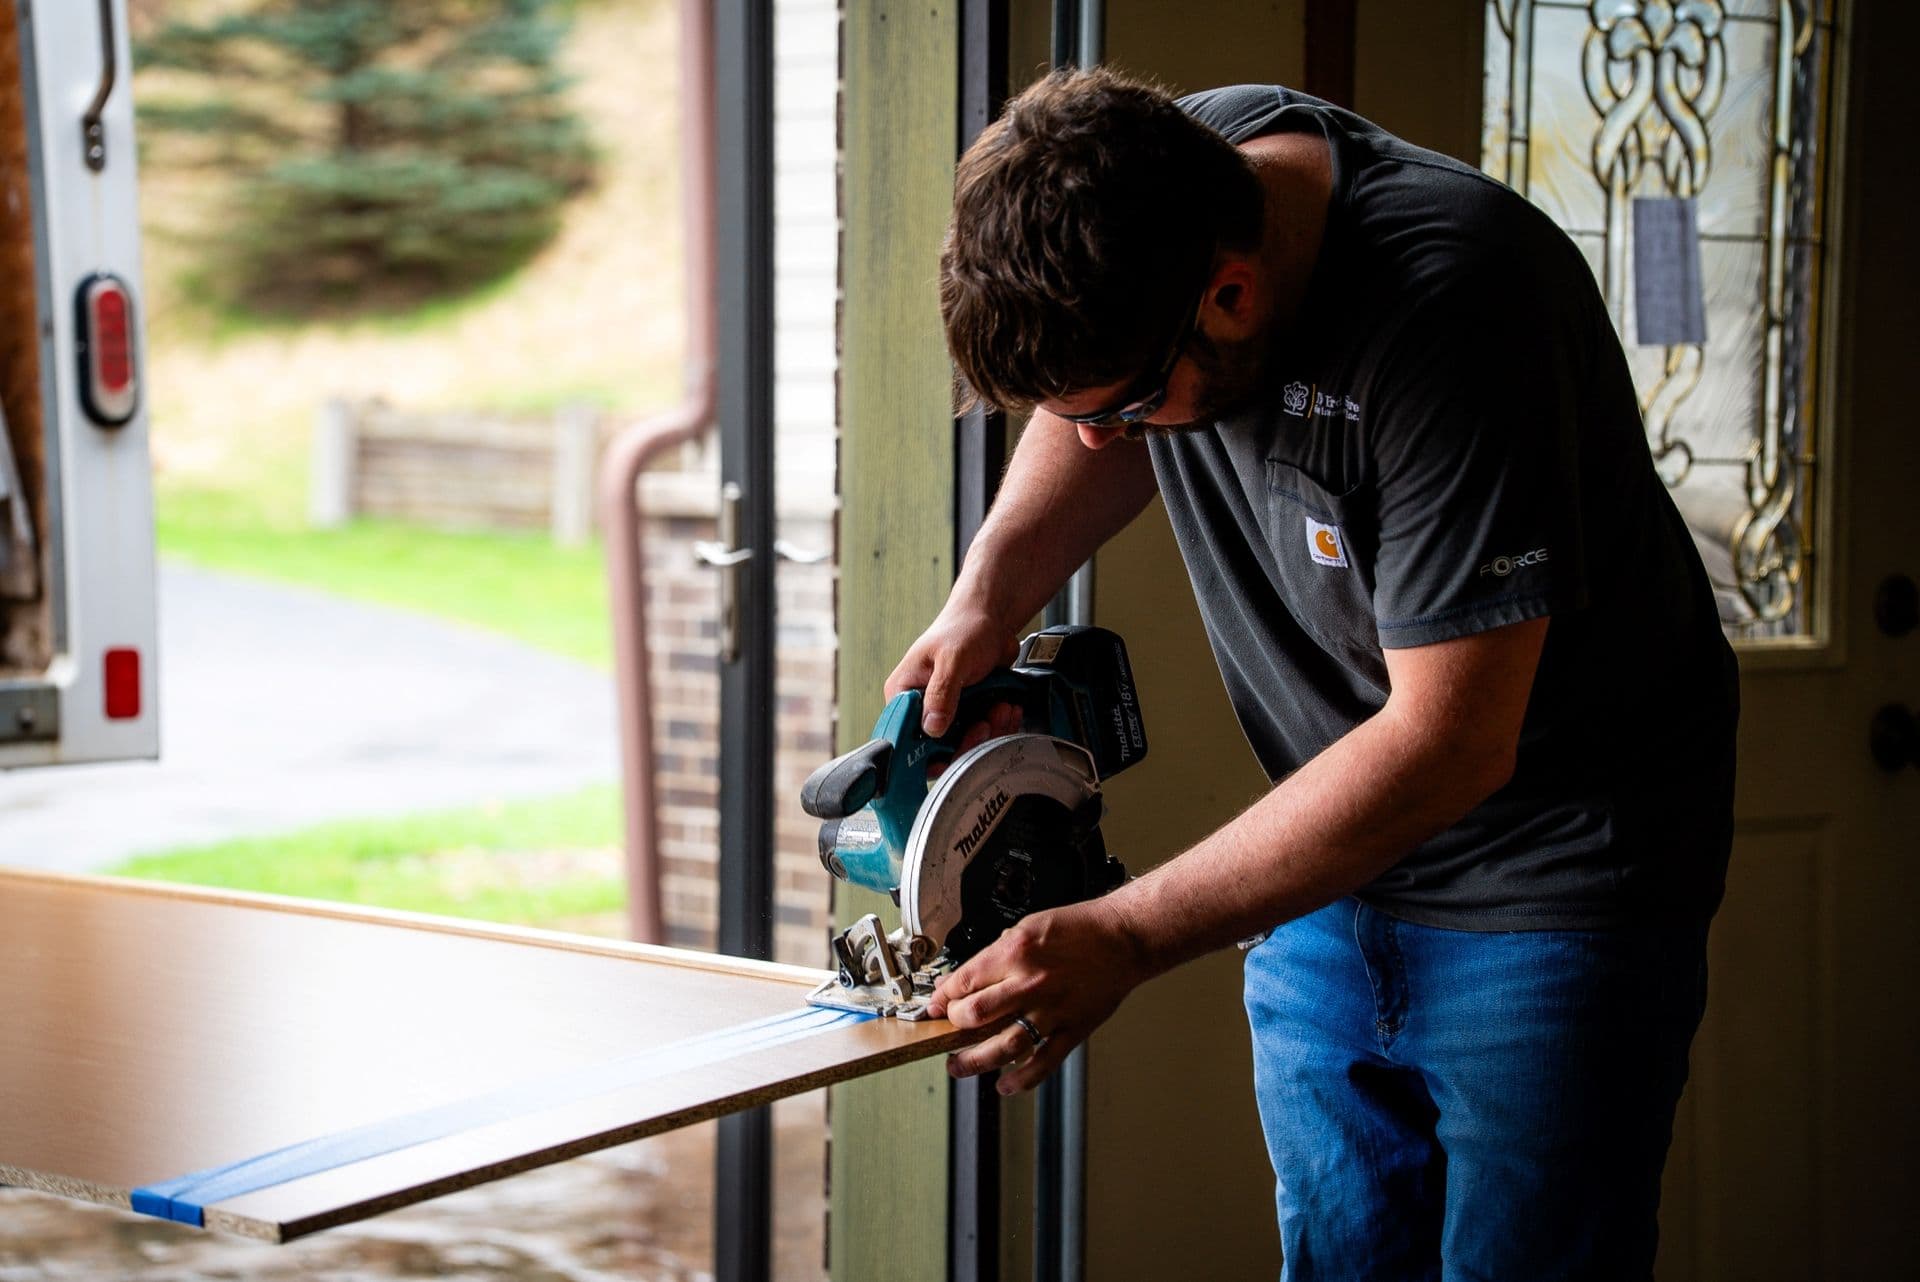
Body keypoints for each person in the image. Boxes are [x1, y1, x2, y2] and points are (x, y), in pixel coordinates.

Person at [895, 69, 1740, 1280]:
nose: (1100, 441)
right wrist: (987, 593)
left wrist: (1126, 936)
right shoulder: (1184, 173)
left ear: (1231, 296)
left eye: (1126, 411)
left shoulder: (1455, 308)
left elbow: (1452, 740)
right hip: (1332, 867)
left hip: (1555, 888)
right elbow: (1092, 407)